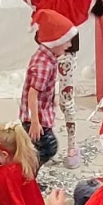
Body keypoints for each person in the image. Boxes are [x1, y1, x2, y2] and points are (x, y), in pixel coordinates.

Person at [3, 0, 96, 165]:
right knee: (40, 92)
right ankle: (40, 138)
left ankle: (72, 145)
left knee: (66, 98)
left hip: (66, 49)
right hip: (46, 46)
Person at [20, 9, 77, 169]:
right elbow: (33, 94)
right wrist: (35, 122)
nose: (69, 45)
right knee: (49, 147)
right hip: (36, 118)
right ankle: (27, 171)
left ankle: (28, 168)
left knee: (40, 147)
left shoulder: (47, 57)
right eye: (66, 41)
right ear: (55, 41)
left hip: (39, 114)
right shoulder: (44, 65)